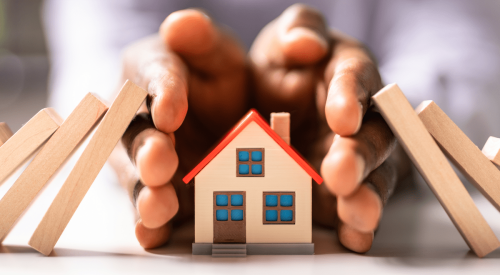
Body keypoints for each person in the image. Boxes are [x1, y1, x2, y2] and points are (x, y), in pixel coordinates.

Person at [43, 0, 500, 253]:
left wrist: (386, 127)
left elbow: (462, 52)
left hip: (344, 132)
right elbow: (95, 59)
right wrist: (139, 117)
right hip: (180, 134)